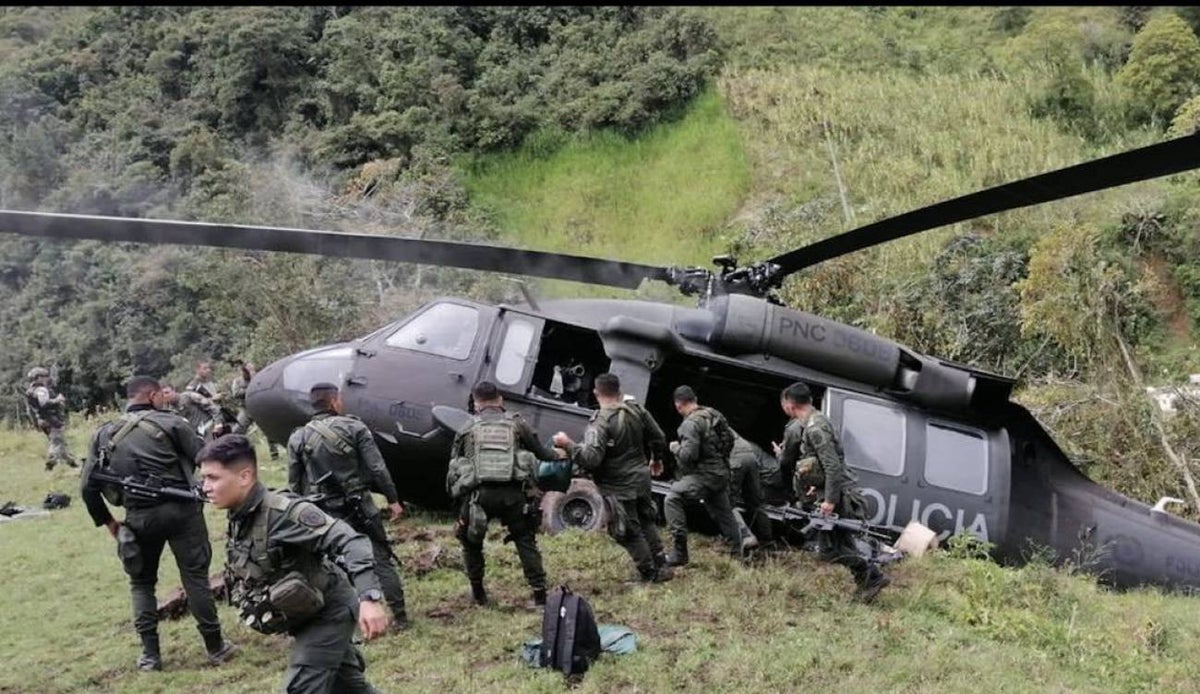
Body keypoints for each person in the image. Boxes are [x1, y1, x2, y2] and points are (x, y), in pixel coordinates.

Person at [198, 435, 388, 693]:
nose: (205, 486)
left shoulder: (283, 512)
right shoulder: (239, 514)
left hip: (329, 613)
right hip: (303, 615)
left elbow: (350, 541)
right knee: (349, 688)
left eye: (213, 478)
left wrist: (370, 597)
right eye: (204, 478)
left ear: (244, 477)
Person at [79, 375, 236, 672]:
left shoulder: (103, 434)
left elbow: (87, 487)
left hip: (138, 516)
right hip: (183, 512)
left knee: (141, 583)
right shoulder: (173, 423)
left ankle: (151, 657)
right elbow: (206, 459)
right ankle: (216, 648)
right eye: (161, 395)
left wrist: (110, 523)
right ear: (151, 396)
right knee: (195, 579)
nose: (165, 398)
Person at [287, 383, 410, 630]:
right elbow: (377, 468)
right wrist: (393, 500)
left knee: (337, 564)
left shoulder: (298, 437)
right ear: (334, 402)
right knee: (380, 557)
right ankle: (400, 616)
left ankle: (355, 619)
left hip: (324, 512)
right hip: (360, 504)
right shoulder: (354, 427)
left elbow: (294, 483)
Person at [446, 380, 564, 607]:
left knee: (471, 543)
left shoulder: (467, 427)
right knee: (524, 540)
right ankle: (539, 594)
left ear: (475, 402)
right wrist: (560, 453)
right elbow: (541, 453)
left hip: (479, 497)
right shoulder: (518, 424)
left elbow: (454, 465)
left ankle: (478, 593)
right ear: (500, 399)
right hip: (514, 496)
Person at [774, 381, 890, 602]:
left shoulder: (815, 428)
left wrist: (829, 500)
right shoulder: (815, 422)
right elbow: (821, 465)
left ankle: (871, 576)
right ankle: (870, 580)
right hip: (835, 492)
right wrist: (816, 485)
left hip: (840, 496)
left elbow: (832, 466)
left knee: (828, 550)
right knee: (843, 543)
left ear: (789, 405)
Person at [552, 373, 674, 583]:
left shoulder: (601, 421)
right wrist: (656, 458)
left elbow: (591, 459)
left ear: (596, 393)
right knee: (646, 522)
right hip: (641, 478)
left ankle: (649, 574)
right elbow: (659, 436)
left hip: (619, 485)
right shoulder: (636, 409)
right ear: (619, 390)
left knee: (625, 530)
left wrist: (567, 444)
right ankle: (662, 565)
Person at [663, 386, 743, 566]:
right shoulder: (713, 414)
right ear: (695, 398)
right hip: (721, 473)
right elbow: (729, 440)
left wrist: (674, 447)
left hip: (704, 475)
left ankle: (679, 553)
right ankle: (737, 556)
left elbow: (688, 456)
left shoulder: (690, 424)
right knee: (725, 514)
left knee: (672, 498)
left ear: (678, 405)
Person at [25, 366, 77, 470]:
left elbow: (30, 410)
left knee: (60, 441)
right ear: (38, 378)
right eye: (44, 376)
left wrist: (35, 423)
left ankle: (72, 462)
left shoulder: (30, 391)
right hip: (51, 419)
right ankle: (50, 462)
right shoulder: (41, 390)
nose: (46, 378)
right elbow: (44, 403)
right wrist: (57, 400)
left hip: (42, 420)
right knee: (57, 441)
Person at [729, 434, 775, 549]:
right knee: (756, 503)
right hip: (751, 457)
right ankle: (767, 540)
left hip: (736, 458)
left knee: (725, 502)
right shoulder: (719, 421)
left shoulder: (696, 423)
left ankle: (745, 536)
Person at [229, 361, 280, 460]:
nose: (247, 374)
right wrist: (249, 388)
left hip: (258, 408)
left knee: (269, 431)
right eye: (246, 372)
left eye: (250, 371)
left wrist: (253, 376)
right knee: (237, 431)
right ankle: (234, 452)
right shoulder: (238, 381)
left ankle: (274, 454)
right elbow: (236, 394)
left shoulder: (258, 378)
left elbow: (262, 388)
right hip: (246, 409)